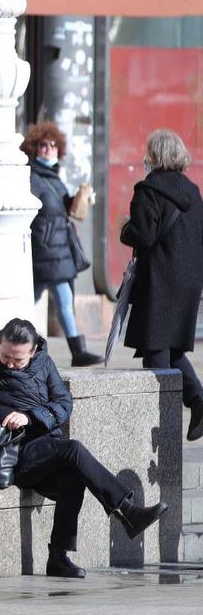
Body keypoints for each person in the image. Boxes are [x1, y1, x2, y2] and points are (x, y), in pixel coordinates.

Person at [0, 318, 169, 578]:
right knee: (73, 450)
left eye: (18, 359)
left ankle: (58, 558)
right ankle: (127, 511)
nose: (9, 363)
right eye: (6, 355)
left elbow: (63, 403)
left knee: (72, 480)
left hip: (43, 448)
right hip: (9, 455)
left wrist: (30, 416)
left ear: (33, 352)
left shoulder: (44, 364)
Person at [119, 128, 203, 441]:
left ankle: (162, 423)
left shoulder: (149, 189)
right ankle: (197, 400)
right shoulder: (192, 191)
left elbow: (142, 234)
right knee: (168, 346)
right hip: (188, 281)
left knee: (156, 349)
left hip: (160, 281)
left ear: (155, 156)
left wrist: (124, 229)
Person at [21, 122, 101, 367]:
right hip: (45, 249)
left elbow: (60, 207)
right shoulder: (31, 177)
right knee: (36, 302)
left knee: (46, 300)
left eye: (53, 145)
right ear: (34, 149)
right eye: (43, 145)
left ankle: (74, 351)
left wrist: (78, 200)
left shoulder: (53, 177)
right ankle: (72, 351)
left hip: (56, 250)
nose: (48, 150)